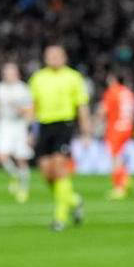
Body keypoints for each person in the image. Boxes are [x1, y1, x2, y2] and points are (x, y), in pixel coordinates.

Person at [27, 45, 91, 231]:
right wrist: (30, 131)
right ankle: (74, 201)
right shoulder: (38, 78)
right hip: (44, 126)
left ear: (64, 57)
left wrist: (86, 132)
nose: (53, 58)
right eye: (50, 55)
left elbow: (82, 106)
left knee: (59, 168)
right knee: (47, 173)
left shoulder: (73, 77)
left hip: (64, 125)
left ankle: (59, 218)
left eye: (57, 55)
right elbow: (33, 106)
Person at [0, 62, 33, 203]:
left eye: (11, 73)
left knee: (21, 158)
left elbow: (29, 111)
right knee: (0, 156)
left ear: (17, 74)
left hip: (19, 125)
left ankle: (24, 188)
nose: (8, 75)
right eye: (6, 73)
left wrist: (30, 130)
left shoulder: (23, 89)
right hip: (4, 123)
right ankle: (15, 175)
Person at [101, 73, 134, 199]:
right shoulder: (128, 92)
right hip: (127, 127)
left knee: (115, 157)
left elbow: (103, 110)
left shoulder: (112, 91)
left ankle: (119, 187)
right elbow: (132, 112)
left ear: (114, 80)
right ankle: (126, 179)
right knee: (119, 155)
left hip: (115, 128)